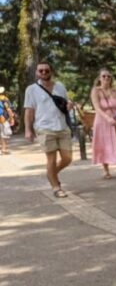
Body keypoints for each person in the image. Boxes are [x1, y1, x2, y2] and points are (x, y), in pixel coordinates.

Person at [24, 61, 73, 198]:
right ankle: (56, 187)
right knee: (51, 159)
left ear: (51, 71)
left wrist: (69, 106)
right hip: (44, 127)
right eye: (41, 71)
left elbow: (65, 103)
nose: (44, 73)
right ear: (36, 73)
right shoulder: (31, 89)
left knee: (67, 158)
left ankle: (51, 173)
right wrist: (28, 130)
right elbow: (29, 111)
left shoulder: (60, 86)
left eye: (46, 70)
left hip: (62, 126)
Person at [0, 86, 16, 154]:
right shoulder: (5, 99)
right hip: (3, 119)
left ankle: (1, 148)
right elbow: (8, 109)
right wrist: (12, 118)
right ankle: (4, 149)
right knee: (4, 134)